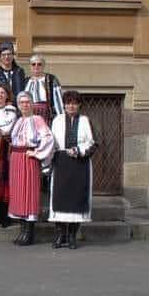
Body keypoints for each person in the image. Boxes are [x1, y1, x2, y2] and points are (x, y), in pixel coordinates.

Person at [49, 91, 97, 250]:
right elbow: (50, 141)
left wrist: (78, 151)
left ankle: (72, 237)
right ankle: (60, 235)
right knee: (60, 198)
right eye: (68, 103)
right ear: (63, 104)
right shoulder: (57, 120)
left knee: (76, 199)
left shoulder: (85, 120)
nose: (71, 106)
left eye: (74, 103)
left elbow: (93, 144)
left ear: (79, 105)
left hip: (80, 164)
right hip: (61, 163)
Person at [9, 92, 55, 246]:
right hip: (16, 159)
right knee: (19, 194)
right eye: (21, 102)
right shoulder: (18, 121)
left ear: (32, 104)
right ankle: (22, 231)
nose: (24, 105)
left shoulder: (37, 120)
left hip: (29, 158)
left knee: (29, 193)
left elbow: (48, 138)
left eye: (27, 102)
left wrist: (37, 152)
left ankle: (29, 234)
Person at [0, 83, 18, 228]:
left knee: (5, 179)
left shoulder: (11, 111)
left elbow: (5, 129)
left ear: (7, 95)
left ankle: (6, 215)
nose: (0, 95)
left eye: (2, 93)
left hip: (5, 148)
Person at [24, 54, 64, 124]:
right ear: (30, 66)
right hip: (29, 115)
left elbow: (58, 101)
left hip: (46, 116)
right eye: (33, 64)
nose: (36, 66)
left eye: (39, 64)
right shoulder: (26, 81)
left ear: (43, 66)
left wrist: (60, 118)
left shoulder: (51, 79)